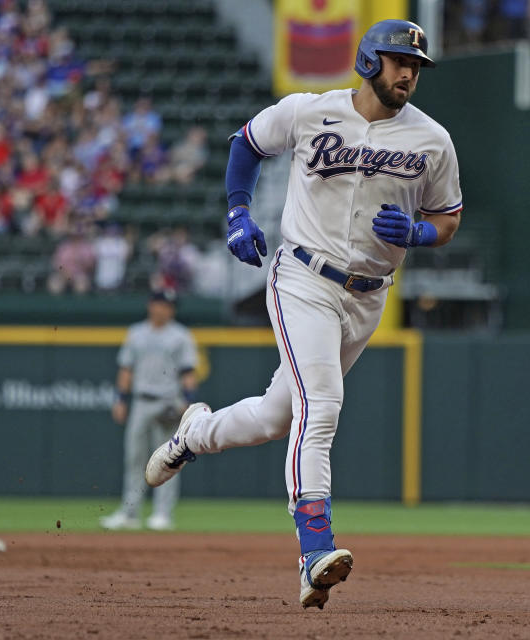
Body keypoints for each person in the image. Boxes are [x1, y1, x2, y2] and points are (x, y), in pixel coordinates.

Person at [145, 20, 463, 609]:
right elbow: (246, 144)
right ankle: (314, 549)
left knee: (273, 417)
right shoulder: (310, 111)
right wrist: (239, 214)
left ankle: (194, 433)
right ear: (370, 60)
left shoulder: (432, 140)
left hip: (369, 295)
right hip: (302, 277)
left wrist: (419, 232)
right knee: (322, 404)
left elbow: (449, 218)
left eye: (416, 64)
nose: (409, 72)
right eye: (398, 60)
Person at [101, 289, 199, 531]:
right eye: (159, 304)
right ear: (151, 306)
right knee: (134, 459)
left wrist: (188, 401)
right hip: (141, 402)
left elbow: (188, 372)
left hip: (168, 402)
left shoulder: (180, 336)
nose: (163, 309)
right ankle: (129, 512)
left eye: (167, 305)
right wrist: (120, 399)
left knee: (168, 461)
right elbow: (126, 370)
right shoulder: (136, 333)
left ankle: (162, 514)